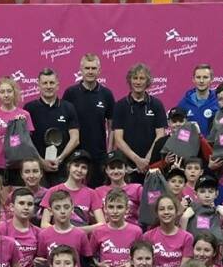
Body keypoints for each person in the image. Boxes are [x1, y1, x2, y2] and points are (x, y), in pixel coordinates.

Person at [61, 53, 115, 186]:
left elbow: (112, 126)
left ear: (99, 70)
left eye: (93, 68)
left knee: (98, 191)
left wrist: (109, 151)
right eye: (87, 68)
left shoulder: (106, 94)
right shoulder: (70, 93)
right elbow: (64, 124)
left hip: (99, 154)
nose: (90, 71)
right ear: (81, 70)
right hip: (75, 153)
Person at [24, 68, 81, 184]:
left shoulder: (68, 107)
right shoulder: (29, 109)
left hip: (62, 168)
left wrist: (60, 159)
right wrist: (41, 161)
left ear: (57, 85)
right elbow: (25, 140)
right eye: (45, 83)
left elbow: (75, 139)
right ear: (39, 85)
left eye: (51, 83)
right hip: (37, 170)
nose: (48, 86)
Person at [110, 62, 167, 171]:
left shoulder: (157, 104)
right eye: (135, 78)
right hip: (127, 166)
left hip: (151, 164)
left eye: (142, 78)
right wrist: (137, 160)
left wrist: (147, 159)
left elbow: (160, 135)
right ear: (130, 80)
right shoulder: (120, 105)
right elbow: (118, 139)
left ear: (147, 81)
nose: (138, 82)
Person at [175, 63, 220, 133]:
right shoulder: (183, 103)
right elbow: (177, 128)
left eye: (205, 77)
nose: (201, 81)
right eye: (198, 77)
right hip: (190, 140)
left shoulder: (218, 101)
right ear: (193, 79)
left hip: (213, 140)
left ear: (211, 79)